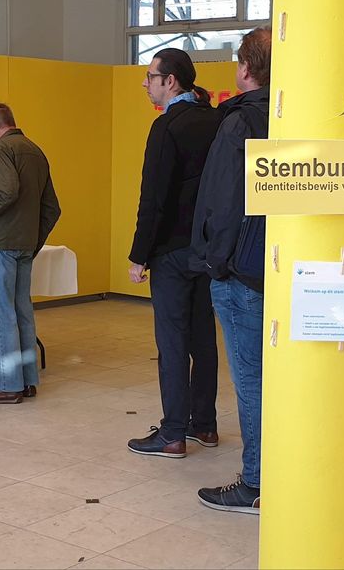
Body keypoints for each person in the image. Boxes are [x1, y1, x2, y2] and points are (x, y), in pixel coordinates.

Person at [189, 26, 271, 512]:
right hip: (285, 271)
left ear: (244, 69)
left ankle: (257, 481)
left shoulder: (238, 123)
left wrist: (215, 262)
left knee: (251, 380)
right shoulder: (299, 115)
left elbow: (220, 201)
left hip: (241, 272)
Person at [125, 48, 222, 460]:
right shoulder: (215, 120)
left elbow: (155, 199)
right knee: (204, 338)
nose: (146, 83)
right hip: (209, 249)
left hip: (172, 253)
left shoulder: (166, 128)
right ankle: (205, 424)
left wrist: (138, 254)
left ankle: (173, 433)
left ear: (172, 81)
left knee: (172, 340)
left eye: (151, 76)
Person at [0, 103, 61, 404]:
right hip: (24, 244)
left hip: (1, 243)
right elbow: (52, 209)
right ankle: (27, 380)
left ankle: (7, 384)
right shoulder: (35, 150)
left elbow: (5, 192)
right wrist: (34, 240)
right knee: (22, 312)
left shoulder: (1, 149)